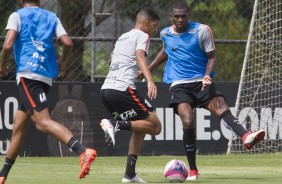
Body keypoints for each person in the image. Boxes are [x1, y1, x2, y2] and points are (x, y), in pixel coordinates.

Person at [143, 0, 266, 181]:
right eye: (176, 16)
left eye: (183, 16)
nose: (180, 19)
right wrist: (149, 68)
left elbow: (212, 57)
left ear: (189, 16)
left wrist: (208, 75)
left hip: (201, 81)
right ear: (171, 17)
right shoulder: (165, 33)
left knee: (220, 107)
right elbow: (166, 51)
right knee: (187, 119)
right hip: (178, 84)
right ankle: (193, 170)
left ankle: (246, 135)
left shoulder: (202, 30)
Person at [0, 0, 96, 183]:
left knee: (42, 123)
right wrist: (63, 61)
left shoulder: (17, 15)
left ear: (21, 0)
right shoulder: (52, 17)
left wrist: (2, 65)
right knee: (18, 127)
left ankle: (82, 150)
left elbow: (7, 45)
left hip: (28, 75)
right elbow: (67, 43)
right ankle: (3, 174)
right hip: (45, 77)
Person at [99, 8, 162, 183]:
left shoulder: (122, 37)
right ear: (147, 23)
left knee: (140, 126)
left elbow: (113, 61)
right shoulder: (143, 36)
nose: (155, 30)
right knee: (156, 126)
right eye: (155, 26)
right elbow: (140, 55)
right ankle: (115, 124)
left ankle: (130, 175)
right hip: (122, 89)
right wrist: (149, 79)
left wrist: (134, 69)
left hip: (106, 90)